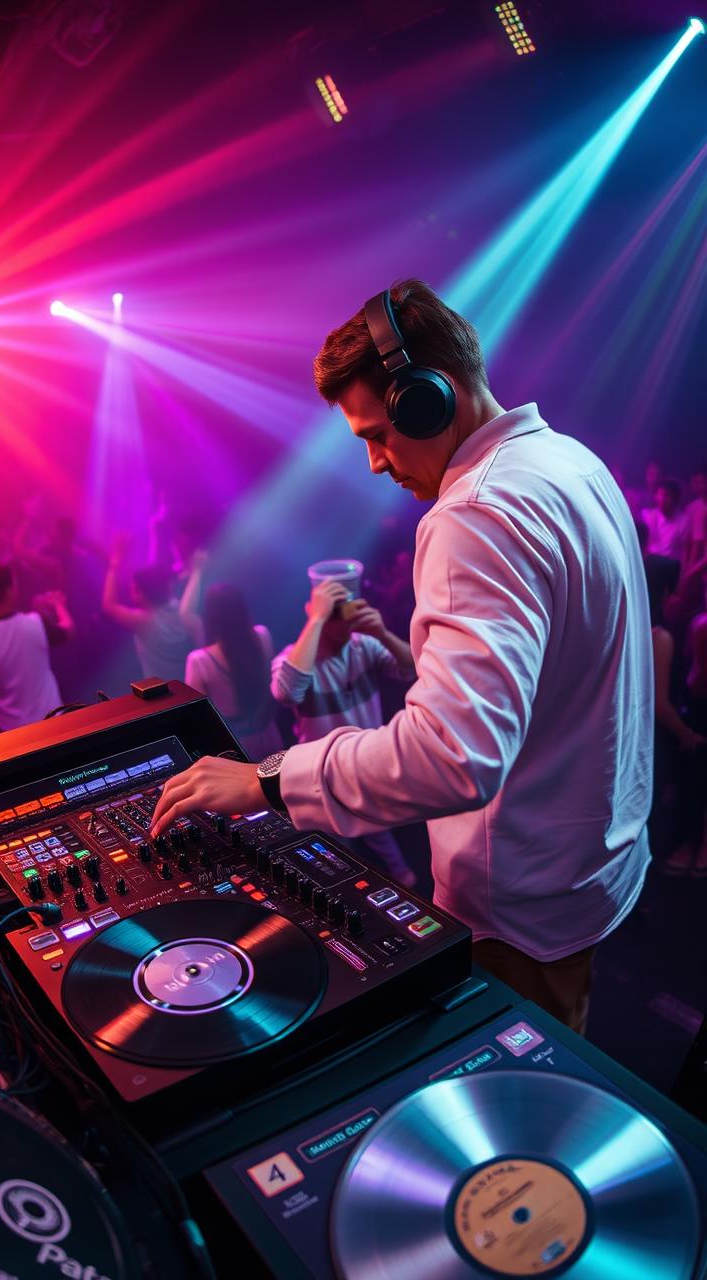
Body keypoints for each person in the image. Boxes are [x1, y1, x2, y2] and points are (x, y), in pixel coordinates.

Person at [150, 278, 653, 1035]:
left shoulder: (476, 514)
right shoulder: (569, 461)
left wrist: (267, 778)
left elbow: (454, 756)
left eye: (377, 434)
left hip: (521, 909)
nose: (377, 464)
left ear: (432, 398)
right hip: (591, 867)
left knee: (514, 1110)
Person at [270, 575, 416, 885]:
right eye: (339, 618)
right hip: (322, 773)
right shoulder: (294, 659)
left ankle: (404, 879)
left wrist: (383, 633)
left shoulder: (364, 646)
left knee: (382, 835)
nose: (350, 627)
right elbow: (287, 692)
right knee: (336, 853)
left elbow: (411, 669)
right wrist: (318, 618)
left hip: (367, 763)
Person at [643, 555, 706, 875]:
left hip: (638, 733)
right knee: (649, 815)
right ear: (666, 591)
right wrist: (686, 734)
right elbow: (660, 704)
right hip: (655, 738)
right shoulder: (660, 637)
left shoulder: (631, 623)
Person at [0, 562, 73, 734]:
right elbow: (68, 631)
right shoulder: (35, 623)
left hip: (13, 735)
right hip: (53, 723)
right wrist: (59, 605)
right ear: (10, 590)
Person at [185, 584, 282, 761]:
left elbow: (196, 717)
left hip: (234, 745)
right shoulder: (262, 636)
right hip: (270, 734)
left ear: (210, 616)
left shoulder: (199, 660)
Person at [102, 536, 204, 681]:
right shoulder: (184, 607)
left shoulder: (143, 621)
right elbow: (156, 577)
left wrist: (114, 563)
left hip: (164, 694)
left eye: (132, 589)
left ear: (141, 593)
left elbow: (108, 605)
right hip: (191, 686)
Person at [641, 478, 689, 562]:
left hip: (671, 566)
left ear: (675, 499)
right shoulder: (648, 516)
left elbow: (685, 550)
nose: (663, 499)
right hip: (651, 563)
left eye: (668, 496)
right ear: (656, 496)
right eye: (661, 495)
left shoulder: (683, 520)